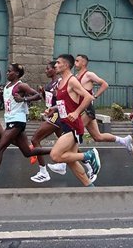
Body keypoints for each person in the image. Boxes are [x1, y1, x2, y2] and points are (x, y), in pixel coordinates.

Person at [0, 63, 51, 190]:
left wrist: (24, 99)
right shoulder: (8, 86)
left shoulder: (21, 85)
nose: (7, 73)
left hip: (17, 121)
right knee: (28, 152)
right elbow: (7, 103)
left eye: (9, 71)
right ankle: (58, 150)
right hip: (10, 121)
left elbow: (38, 95)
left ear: (17, 74)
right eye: (7, 72)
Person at [48, 54, 101, 186]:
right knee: (71, 162)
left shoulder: (72, 81)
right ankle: (90, 187)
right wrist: (54, 109)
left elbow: (88, 97)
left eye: (58, 63)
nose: (55, 65)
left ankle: (89, 155)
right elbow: (64, 102)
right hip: (65, 124)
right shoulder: (61, 82)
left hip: (73, 126)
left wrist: (77, 112)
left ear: (66, 65)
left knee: (56, 155)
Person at [74, 54, 133, 154]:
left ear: (83, 63)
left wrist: (95, 96)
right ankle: (123, 140)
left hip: (87, 109)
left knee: (75, 132)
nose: (75, 63)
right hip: (82, 108)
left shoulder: (89, 75)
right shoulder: (75, 77)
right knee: (98, 137)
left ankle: (65, 161)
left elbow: (105, 84)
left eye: (77, 61)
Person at [30, 61, 67, 183]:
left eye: (48, 69)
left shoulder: (60, 82)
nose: (46, 71)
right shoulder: (48, 85)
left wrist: (54, 109)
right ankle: (88, 161)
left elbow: (63, 100)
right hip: (52, 115)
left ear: (54, 70)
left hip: (57, 115)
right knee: (67, 143)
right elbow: (49, 102)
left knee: (35, 139)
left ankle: (43, 172)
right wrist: (42, 93)